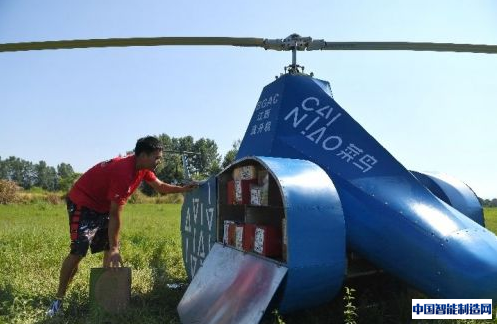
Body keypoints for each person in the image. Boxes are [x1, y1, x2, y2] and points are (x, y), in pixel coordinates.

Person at [47, 136, 197, 317]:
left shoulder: (142, 169)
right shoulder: (123, 173)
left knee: (108, 248)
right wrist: (116, 248)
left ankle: (104, 298)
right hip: (83, 203)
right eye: (156, 157)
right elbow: (115, 213)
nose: (159, 161)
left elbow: (160, 186)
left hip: (102, 205)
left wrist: (183, 188)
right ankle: (58, 301)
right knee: (79, 251)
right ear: (143, 155)